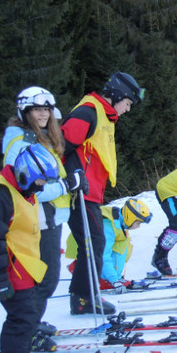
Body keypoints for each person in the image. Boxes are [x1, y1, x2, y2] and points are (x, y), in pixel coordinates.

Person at [2, 87, 87, 352]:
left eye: (47, 109)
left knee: (44, 276)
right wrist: (66, 185)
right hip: (38, 218)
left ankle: (32, 323)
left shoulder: (37, 139)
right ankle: (26, 331)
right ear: (25, 111)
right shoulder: (21, 143)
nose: (44, 114)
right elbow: (27, 185)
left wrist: (69, 179)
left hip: (49, 217)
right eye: (38, 109)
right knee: (45, 278)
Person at [62, 71, 144, 315]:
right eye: (127, 103)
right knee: (95, 242)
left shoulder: (103, 116)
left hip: (91, 193)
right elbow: (60, 146)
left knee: (93, 243)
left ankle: (81, 298)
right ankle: (85, 298)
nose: (127, 109)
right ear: (117, 94)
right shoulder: (88, 112)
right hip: (79, 192)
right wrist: (70, 177)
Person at [0, 144, 60, 353]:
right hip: (10, 268)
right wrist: (1, 277)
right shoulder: (0, 195)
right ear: (27, 173)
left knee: (29, 314)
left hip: (25, 265)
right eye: (40, 182)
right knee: (22, 318)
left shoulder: (23, 189)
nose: (40, 189)